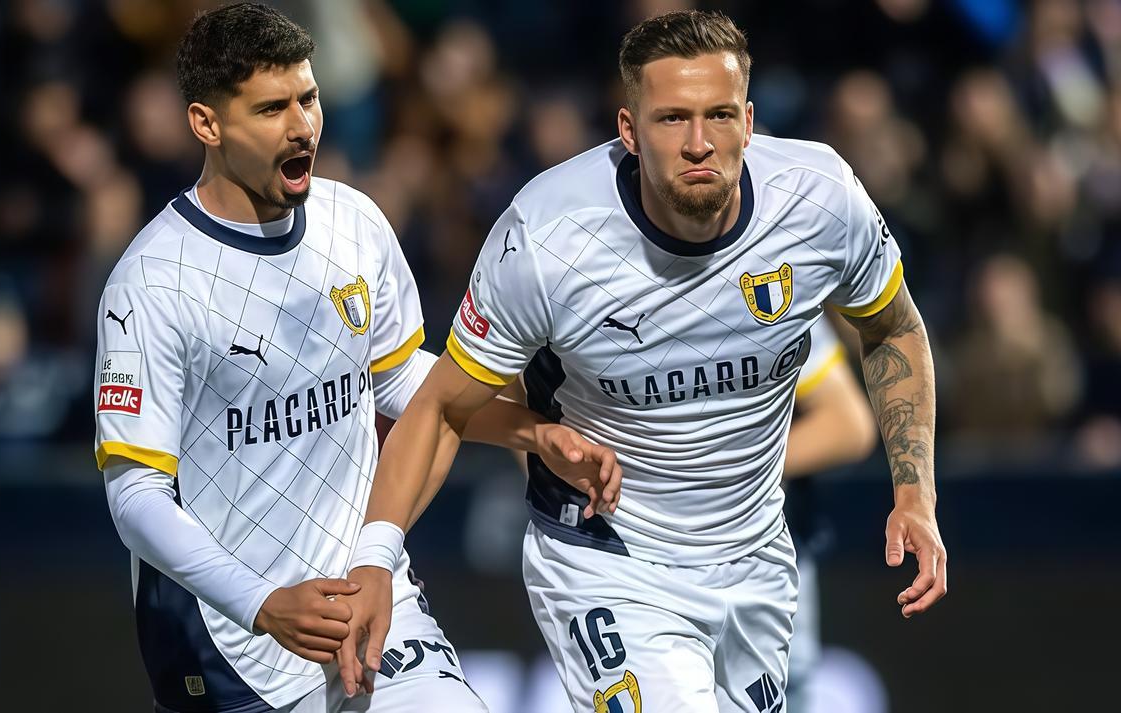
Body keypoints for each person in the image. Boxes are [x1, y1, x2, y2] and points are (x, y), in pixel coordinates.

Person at [340, 9, 948, 711]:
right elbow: (442, 404)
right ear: (628, 130)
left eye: (719, 115)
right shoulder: (548, 237)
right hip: (608, 559)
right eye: (671, 119)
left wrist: (916, 493)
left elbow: (895, 327)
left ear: (749, 121)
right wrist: (376, 560)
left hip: (755, 556)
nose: (699, 143)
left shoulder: (820, 201)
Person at [93, 4, 619, 712]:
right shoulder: (152, 281)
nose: (302, 125)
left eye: (307, 99)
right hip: (233, 640)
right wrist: (264, 602)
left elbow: (401, 379)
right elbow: (135, 496)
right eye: (271, 108)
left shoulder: (354, 222)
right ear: (206, 124)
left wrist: (530, 429)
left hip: (373, 598)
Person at [780, 316, 877, 713]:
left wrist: (717, 470)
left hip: (771, 557)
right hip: (646, 562)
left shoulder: (772, 285)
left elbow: (850, 424)